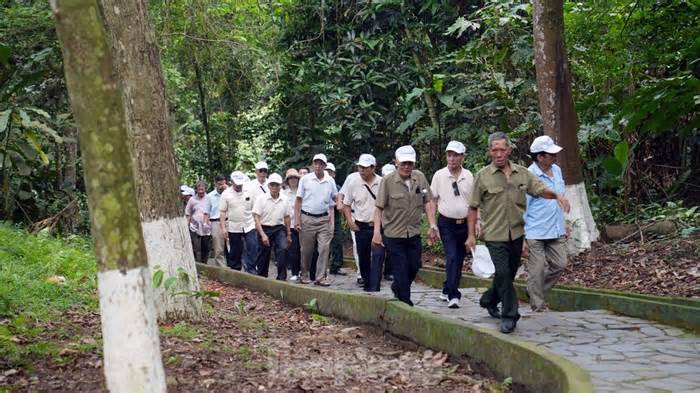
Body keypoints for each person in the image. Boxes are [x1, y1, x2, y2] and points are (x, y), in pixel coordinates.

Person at [466, 132, 570, 334]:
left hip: (516, 233)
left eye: (502, 149)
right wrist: (470, 235)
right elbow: (472, 207)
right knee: (503, 273)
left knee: (508, 275)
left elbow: (539, 189)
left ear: (509, 151)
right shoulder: (482, 176)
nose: (498, 154)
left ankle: (489, 299)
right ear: (489, 152)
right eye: (494, 150)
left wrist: (557, 195)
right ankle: (509, 315)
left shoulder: (522, 173)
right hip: (494, 235)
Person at [372, 146, 438, 305]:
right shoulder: (387, 181)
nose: (407, 166)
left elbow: (428, 201)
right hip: (393, 235)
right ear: (396, 163)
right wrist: (376, 232)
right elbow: (378, 208)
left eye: (410, 163)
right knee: (400, 270)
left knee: (414, 266)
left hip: (413, 233)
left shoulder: (420, 178)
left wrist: (432, 224)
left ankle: (398, 288)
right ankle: (406, 303)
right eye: (403, 163)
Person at [524, 135, 568, 312]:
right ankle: (538, 305)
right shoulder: (529, 176)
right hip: (535, 231)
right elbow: (522, 206)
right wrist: (522, 237)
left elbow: (560, 197)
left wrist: (565, 223)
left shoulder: (556, 170)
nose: (554, 157)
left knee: (560, 264)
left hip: (556, 229)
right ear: (540, 157)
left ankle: (534, 291)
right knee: (538, 268)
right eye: (550, 154)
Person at [430, 141, 474, 309]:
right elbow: (432, 200)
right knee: (452, 256)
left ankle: (447, 286)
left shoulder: (468, 176)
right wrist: (433, 224)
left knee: (459, 259)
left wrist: (476, 223)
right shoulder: (439, 175)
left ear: (462, 157)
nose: (452, 158)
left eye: (456, 155)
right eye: (449, 154)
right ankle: (454, 295)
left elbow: (473, 204)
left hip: (464, 224)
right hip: (446, 223)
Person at [342, 154, 383, 291]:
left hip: (378, 226)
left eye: (365, 167)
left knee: (378, 255)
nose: (361, 170)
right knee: (363, 257)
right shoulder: (353, 183)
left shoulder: (382, 182)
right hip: (361, 225)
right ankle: (367, 281)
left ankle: (375, 285)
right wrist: (350, 221)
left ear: (373, 168)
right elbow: (346, 204)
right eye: (360, 167)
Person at [295, 153, 337, 286]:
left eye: (321, 164)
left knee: (324, 248)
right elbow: (298, 200)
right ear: (313, 164)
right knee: (306, 250)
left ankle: (320, 277)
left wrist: (341, 204)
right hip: (307, 218)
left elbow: (335, 197)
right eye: (316, 163)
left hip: (324, 219)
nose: (318, 166)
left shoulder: (330, 180)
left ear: (325, 166)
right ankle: (305, 274)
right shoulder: (305, 179)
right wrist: (297, 220)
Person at [253, 173, 291, 280]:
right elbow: (257, 218)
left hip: (279, 228)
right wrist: (263, 235)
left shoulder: (285, 199)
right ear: (269, 186)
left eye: (277, 185)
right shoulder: (261, 199)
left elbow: (287, 217)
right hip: (264, 228)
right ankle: (262, 278)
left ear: (281, 186)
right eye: (272, 185)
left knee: (283, 250)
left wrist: (288, 234)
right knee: (263, 255)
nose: (274, 187)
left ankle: (281, 278)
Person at [220, 171, 258, 273]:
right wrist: (223, 228)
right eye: (236, 184)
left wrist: (257, 224)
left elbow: (255, 209)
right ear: (231, 182)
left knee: (252, 246)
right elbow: (223, 212)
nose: (239, 186)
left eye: (240, 184)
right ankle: (235, 271)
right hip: (233, 226)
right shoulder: (226, 194)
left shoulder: (249, 191)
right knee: (235, 250)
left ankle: (251, 270)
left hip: (249, 224)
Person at [338, 170, 362, 284]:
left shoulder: (377, 180)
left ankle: (373, 272)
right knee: (358, 244)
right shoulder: (351, 177)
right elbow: (342, 192)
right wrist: (340, 203)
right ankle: (361, 274)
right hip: (354, 214)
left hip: (371, 215)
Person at [326, 162, 347, 276]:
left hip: (336, 217)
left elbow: (343, 202)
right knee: (322, 242)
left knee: (337, 240)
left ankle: (336, 266)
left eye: (330, 172)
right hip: (323, 217)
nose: (328, 174)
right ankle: (322, 266)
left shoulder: (339, 188)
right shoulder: (320, 186)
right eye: (326, 171)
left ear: (334, 174)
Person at [283, 169, 302, 281]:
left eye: (295, 177)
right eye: (290, 178)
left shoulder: (303, 191)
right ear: (287, 180)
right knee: (293, 250)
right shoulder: (283, 193)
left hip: (302, 224)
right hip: (289, 225)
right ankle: (295, 272)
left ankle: (303, 271)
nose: (293, 180)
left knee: (303, 249)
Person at [185, 181, 211, 263]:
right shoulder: (192, 200)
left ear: (205, 189)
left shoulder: (209, 198)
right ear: (196, 190)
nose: (201, 191)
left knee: (206, 247)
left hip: (206, 227)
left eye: (202, 189)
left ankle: (205, 264)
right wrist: (187, 225)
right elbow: (188, 213)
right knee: (196, 248)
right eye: (199, 189)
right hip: (195, 227)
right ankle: (198, 264)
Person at [206, 175, 229, 268]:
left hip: (229, 221)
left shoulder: (229, 194)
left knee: (232, 247)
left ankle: (234, 268)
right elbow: (206, 212)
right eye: (219, 184)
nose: (221, 186)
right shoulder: (210, 196)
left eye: (223, 184)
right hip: (216, 222)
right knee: (218, 249)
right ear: (215, 184)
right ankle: (222, 270)